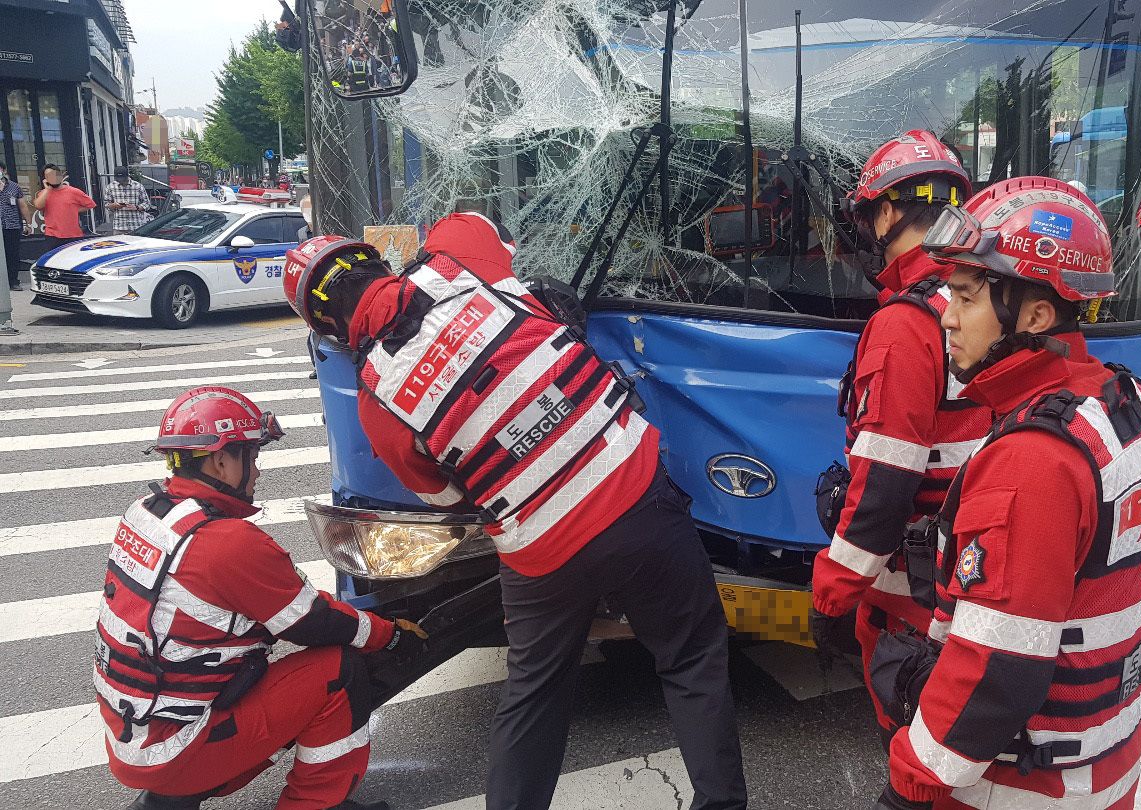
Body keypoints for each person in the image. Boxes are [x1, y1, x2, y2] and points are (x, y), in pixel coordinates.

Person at [282, 212, 747, 810]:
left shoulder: (377, 402)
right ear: (376, 259)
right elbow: (480, 224)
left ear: (328, 327)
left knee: (534, 696)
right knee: (690, 661)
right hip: (634, 495)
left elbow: (450, 499)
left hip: (540, 551)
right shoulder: (456, 259)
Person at [872, 177, 1141, 810]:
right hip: (1105, 762)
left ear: (1034, 316)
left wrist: (911, 779)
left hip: (1019, 786)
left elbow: (997, 668)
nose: (946, 316)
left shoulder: (1034, 463)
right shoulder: (1125, 406)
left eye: (964, 295)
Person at [97, 386, 426, 810]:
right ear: (221, 461)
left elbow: (274, 601)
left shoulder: (146, 514)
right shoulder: (227, 543)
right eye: (251, 458)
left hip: (135, 734)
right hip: (177, 748)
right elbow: (315, 622)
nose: (256, 473)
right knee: (339, 671)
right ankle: (314, 804)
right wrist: (390, 635)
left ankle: (169, 799)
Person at [809, 131, 993, 742]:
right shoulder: (981, 299)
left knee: (912, 740)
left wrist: (833, 594)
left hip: (910, 596)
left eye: (869, 215)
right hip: (968, 565)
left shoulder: (902, 325)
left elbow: (884, 482)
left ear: (887, 212)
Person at [32, 164, 95, 253]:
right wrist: (47, 189)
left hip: (73, 235)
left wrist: (73, 209)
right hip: (52, 236)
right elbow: (38, 206)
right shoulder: (43, 193)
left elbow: (90, 204)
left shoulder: (73, 191)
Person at [1, 161, 32, 291]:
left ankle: (13, 281)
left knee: (12, 254)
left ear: (4, 170)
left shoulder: (14, 187)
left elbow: (23, 205)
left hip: (12, 226)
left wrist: (28, 223)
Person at [105, 167, 154, 234]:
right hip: (119, 226)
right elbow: (106, 204)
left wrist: (137, 207)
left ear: (127, 176)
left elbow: (147, 203)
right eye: (118, 179)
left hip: (136, 225)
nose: (120, 181)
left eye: (122, 179)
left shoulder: (138, 186)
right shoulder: (110, 187)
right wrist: (114, 205)